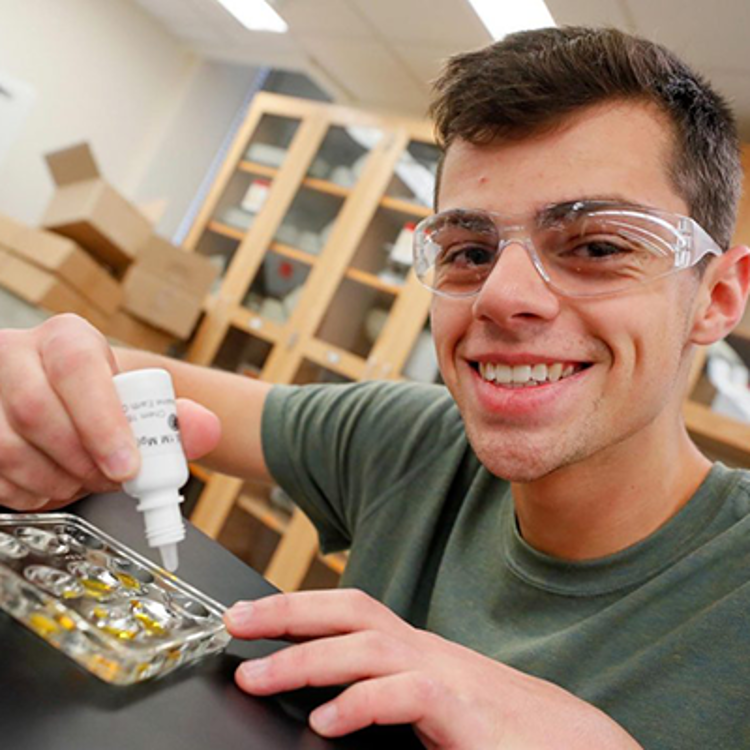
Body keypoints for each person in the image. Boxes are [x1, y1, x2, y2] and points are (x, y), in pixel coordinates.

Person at [0, 25, 748, 749]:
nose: (499, 294)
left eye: (597, 245)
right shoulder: (411, 441)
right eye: (468, 249)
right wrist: (38, 380)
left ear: (716, 298)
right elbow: (130, 382)